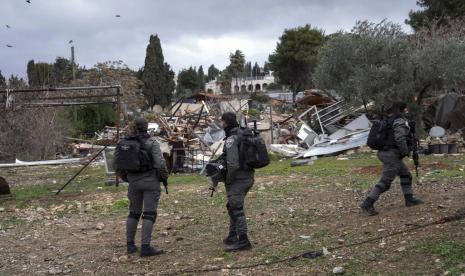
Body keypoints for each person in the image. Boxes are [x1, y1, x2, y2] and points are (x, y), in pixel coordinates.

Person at [114, 118, 169, 257]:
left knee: (133, 213)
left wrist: (127, 178)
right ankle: (145, 247)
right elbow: (160, 164)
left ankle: (130, 245)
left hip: (133, 182)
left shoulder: (124, 142)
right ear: (147, 127)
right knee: (149, 214)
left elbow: (116, 164)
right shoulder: (152, 142)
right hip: (150, 181)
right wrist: (164, 177)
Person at [360, 102, 423, 216]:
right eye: (406, 109)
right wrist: (405, 151)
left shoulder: (390, 119)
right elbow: (400, 137)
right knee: (386, 181)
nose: (407, 111)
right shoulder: (399, 121)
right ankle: (367, 203)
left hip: (387, 153)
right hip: (391, 154)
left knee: (406, 175)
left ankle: (409, 199)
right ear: (402, 109)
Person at [219, 112, 254, 251]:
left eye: (222, 122)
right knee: (232, 206)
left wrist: (227, 179)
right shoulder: (243, 134)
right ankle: (232, 235)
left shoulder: (231, 139)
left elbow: (232, 164)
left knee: (237, 209)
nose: (221, 125)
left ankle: (244, 241)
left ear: (226, 123)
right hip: (248, 176)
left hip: (237, 179)